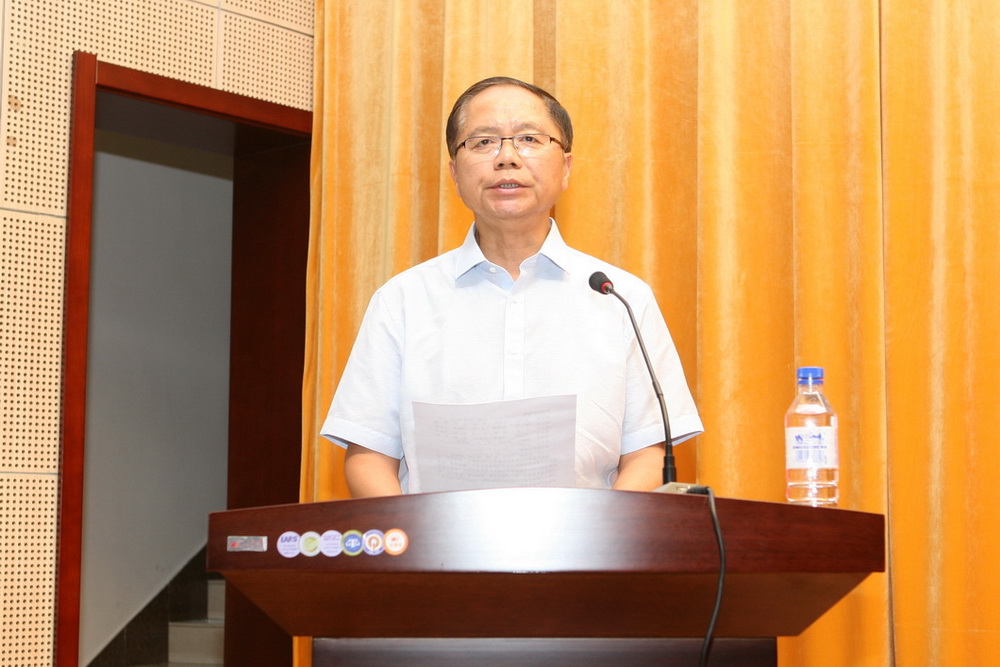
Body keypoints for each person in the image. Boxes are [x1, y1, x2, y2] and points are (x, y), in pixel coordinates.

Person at [321, 76, 703, 497]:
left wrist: (603, 532)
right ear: (454, 173)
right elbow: (369, 454)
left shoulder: (621, 297)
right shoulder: (402, 300)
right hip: (432, 539)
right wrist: (410, 537)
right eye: (483, 142)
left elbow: (647, 452)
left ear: (566, 168)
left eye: (529, 139)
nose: (507, 158)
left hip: (592, 537)